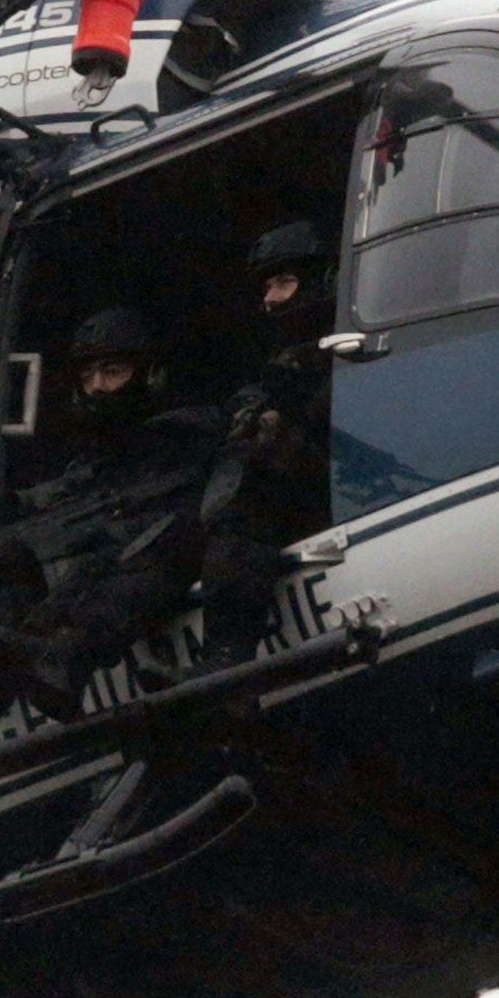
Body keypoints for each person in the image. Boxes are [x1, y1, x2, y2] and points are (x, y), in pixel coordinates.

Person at [0, 307, 220, 771]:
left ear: (151, 375)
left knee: (110, 561)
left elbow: (159, 518)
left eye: (113, 371)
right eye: (88, 374)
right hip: (84, 595)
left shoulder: (186, 433)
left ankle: (59, 662)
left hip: (150, 570)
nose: (98, 387)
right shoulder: (89, 459)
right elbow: (59, 517)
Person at [196, 220, 336, 670]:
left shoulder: (348, 358)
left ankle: (225, 663)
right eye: (267, 286)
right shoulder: (281, 369)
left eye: (285, 281)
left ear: (323, 282)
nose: (271, 298)